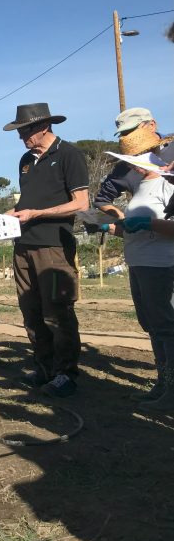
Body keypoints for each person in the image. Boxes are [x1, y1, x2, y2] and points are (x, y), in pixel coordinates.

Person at [3, 103, 89, 398]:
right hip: (23, 246)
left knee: (57, 312)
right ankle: (44, 367)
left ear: (44, 126)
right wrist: (11, 214)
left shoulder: (69, 155)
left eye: (25, 130)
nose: (21, 137)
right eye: (19, 131)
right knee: (31, 311)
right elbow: (27, 202)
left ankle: (66, 374)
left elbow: (81, 203)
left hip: (53, 247)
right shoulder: (25, 161)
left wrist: (37, 214)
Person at [96, 153, 174, 413]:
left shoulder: (167, 184)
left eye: (134, 161)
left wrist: (149, 223)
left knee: (166, 327)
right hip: (138, 263)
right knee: (152, 326)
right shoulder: (141, 187)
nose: (130, 166)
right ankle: (162, 384)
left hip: (160, 265)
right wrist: (111, 228)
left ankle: (171, 391)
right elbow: (137, 231)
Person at [94, 107, 173, 219]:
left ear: (152, 125)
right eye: (124, 133)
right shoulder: (124, 167)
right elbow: (102, 200)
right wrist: (126, 221)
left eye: (133, 130)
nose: (128, 137)